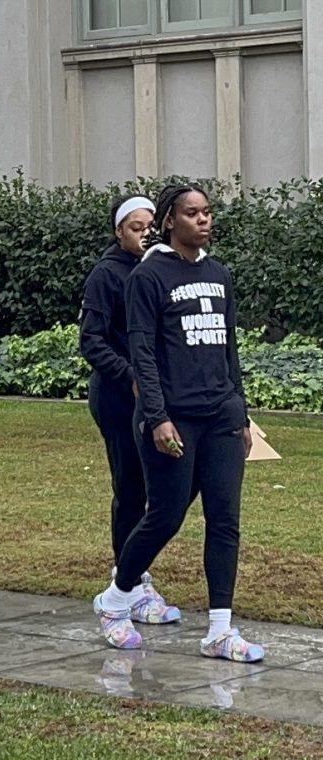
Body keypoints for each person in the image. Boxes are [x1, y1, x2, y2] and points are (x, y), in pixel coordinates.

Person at [94, 183, 264, 663]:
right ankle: (115, 599)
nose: (203, 220)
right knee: (165, 516)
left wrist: (241, 412)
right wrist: (157, 415)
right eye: (192, 213)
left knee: (225, 521)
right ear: (170, 220)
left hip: (221, 416)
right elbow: (142, 352)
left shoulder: (219, 274)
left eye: (207, 213)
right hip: (173, 418)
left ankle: (220, 630)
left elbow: (229, 349)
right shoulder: (148, 278)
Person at [79, 194, 179, 625]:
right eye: (135, 227)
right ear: (119, 230)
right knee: (131, 488)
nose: (144, 233)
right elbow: (92, 340)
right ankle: (129, 580)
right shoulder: (107, 275)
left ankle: (136, 576)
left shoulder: (160, 268)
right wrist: (130, 376)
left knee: (158, 491)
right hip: (120, 398)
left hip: (156, 396)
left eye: (149, 226)